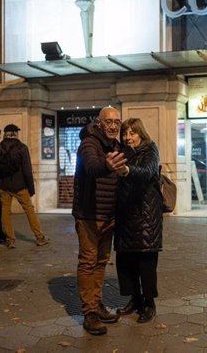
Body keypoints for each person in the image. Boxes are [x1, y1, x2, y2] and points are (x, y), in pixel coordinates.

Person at [72, 106, 126, 336]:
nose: (113, 126)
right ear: (99, 123)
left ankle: (97, 303)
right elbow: (92, 166)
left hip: (108, 215)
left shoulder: (116, 145)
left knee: (102, 261)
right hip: (89, 215)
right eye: (108, 122)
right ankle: (89, 313)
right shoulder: (89, 143)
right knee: (88, 261)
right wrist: (107, 165)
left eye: (117, 122)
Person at [112, 118, 164, 324]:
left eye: (132, 133)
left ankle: (149, 303)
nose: (128, 137)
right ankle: (135, 299)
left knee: (145, 261)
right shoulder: (123, 151)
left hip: (145, 214)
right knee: (126, 260)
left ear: (140, 133)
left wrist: (127, 171)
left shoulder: (150, 149)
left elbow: (147, 172)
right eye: (125, 133)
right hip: (125, 213)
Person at [0, 124, 49, 249]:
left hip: (4, 186)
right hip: (20, 186)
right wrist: (31, 189)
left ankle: (10, 240)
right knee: (29, 210)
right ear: (15, 133)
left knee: (5, 212)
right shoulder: (22, 148)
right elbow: (27, 170)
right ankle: (39, 237)